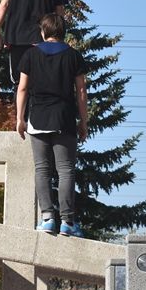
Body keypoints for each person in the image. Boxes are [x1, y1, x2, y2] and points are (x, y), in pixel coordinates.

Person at [16, 13, 88, 237]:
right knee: (66, 170)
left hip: (37, 118)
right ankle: (67, 222)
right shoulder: (74, 56)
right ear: (63, 32)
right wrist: (83, 121)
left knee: (42, 169)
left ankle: (47, 218)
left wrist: (20, 118)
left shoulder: (30, 55)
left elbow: (22, 89)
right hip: (64, 119)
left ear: (43, 32)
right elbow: (82, 91)